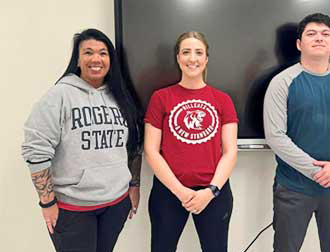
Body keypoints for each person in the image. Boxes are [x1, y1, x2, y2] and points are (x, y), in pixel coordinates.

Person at [21, 28, 143, 252]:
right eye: (88, 52)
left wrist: (133, 185)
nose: (96, 59)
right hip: (73, 209)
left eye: (103, 53)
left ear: (111, 60)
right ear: (77, 59)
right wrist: (47, 202)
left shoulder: (120, 96)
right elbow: (35, 150)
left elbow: (134, 145)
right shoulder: (59, 96)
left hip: (115, 205)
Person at [264, 13, 330, 252]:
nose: (319, 38)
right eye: (311, 34)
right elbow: (275, 135)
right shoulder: (282, 82)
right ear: (299, 44)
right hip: (294, 187)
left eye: (325, 34)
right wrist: (316, 171)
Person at [144, 31, 238, 252]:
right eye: (186, 52)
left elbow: (230, 151)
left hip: (214, 192)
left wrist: (211, 191)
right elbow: (151, 150)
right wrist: (180, 191)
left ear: (206, 59)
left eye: (198, 52)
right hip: (168, 191)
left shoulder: (223, 100)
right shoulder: (160, 98)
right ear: (178, 58)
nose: (192, 58)